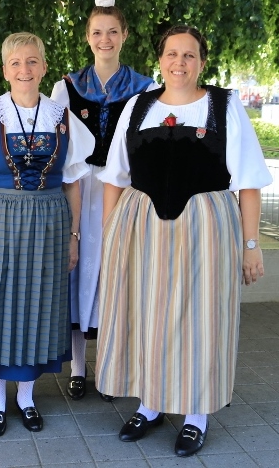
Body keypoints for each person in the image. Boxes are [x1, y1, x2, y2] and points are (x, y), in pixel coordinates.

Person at [95, 25, 273, 457]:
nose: (180, 62)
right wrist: (111, 236)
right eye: (172, 54)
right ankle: (151, 404)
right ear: (160, 60)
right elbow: (115, 177)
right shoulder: (138, 106)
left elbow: (249, 183)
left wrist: (251, 246)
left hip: (207, 227)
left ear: (202, 62)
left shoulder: (225, 106)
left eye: (189, 55)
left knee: (202, 318)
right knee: (147, 314)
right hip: (142, 228)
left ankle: (196, 414)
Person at [0, 32, 95, 437]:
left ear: (44, 67)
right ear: (5, 70)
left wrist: (73, 236)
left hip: (50, 224)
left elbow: (73, 184)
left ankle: (27, 397)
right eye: (16, 63)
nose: (24, 70)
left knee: (38, 307)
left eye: (32, 61)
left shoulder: (62, 118)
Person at [50, 0, 158, 401]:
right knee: (78, 273)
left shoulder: (145, 88)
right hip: (80, 187)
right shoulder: (68, 87)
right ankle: (78, 368)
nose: (105, 39)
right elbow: (58, 145)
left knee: (117, 275)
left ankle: (114, 367)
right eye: (97, 32)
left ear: (125, 35)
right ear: (87, 36)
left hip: (124, 190)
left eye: (113, 31)